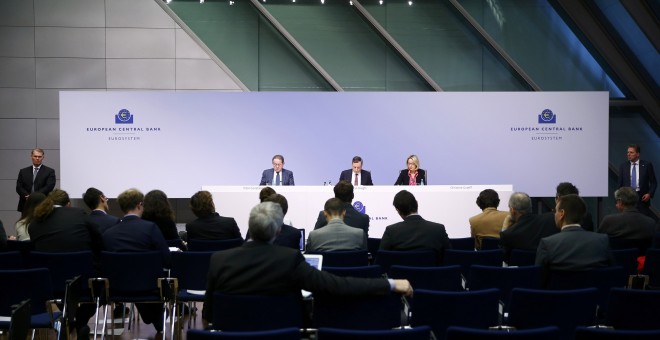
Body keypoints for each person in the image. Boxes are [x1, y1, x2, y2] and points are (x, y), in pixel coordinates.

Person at [202, 201, 413, 325]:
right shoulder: (290, 260)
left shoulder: (218, 260)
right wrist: (391, 284)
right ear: (278, 230)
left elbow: (208, 314)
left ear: (249, 225)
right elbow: (337, 285)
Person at [26, 189, 102, 337]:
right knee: (98, 288)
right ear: (68, 204)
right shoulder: (79, 214)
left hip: (50, 283)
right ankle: (80, 322)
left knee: (61, 292)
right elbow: (98, 241)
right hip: (84, 281)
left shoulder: (34, 223)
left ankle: (67, 319)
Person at [102, 188, 171, 332]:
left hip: (117, 288)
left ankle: (152, 315)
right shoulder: (150, 228)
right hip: (150, 288)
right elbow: (167, 260)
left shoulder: (108, 234)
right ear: (140, 205)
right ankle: (155, 316)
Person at [536, 194, 613, 272]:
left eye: (555, 211)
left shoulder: (547, 245)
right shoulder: (603, 241)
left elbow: (538, 279)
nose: (554, 214)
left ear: (562, 213)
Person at [380, 190, 451, 264]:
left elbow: (381, 262)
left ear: (398, 210)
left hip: (401, 275)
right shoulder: (438, 229)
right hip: (433, 275)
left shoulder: (391, 231)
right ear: (416, 203)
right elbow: (450, 259)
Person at [499, 192, 557, 263]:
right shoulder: (551, 218)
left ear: (513, 211)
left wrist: (504, 228)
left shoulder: (508, 234)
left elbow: (504, 258)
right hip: (546, 270)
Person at [598, 187, 656, 254]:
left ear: (620, 201)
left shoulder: (609, 221)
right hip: (642, 263)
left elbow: (599, 242)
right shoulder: (651, 223)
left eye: (616, 201)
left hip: (615, 262)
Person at [617, 144, 657, 220]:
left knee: (643, 223)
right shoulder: (623, 166)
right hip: (627, 200)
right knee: (628, 222)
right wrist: (620, 200)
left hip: (642, 200)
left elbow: (653, 182)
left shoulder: (647, 165)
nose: (628, 154)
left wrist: (649, 194)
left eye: (631, 152)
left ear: (638, 154)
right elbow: (620, 185)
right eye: (628, 152)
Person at [16, 148, 56, 212]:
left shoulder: (49, 171)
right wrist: (27, 196)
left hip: (42, 203)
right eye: (35, 156)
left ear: (43, 157)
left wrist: (34, 197)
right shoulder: (23, 171)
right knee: (26, 222)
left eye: (39, 156)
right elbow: (19, 187)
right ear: (31, 156)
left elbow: (49, 186)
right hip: (26, 204)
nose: (37, 158)